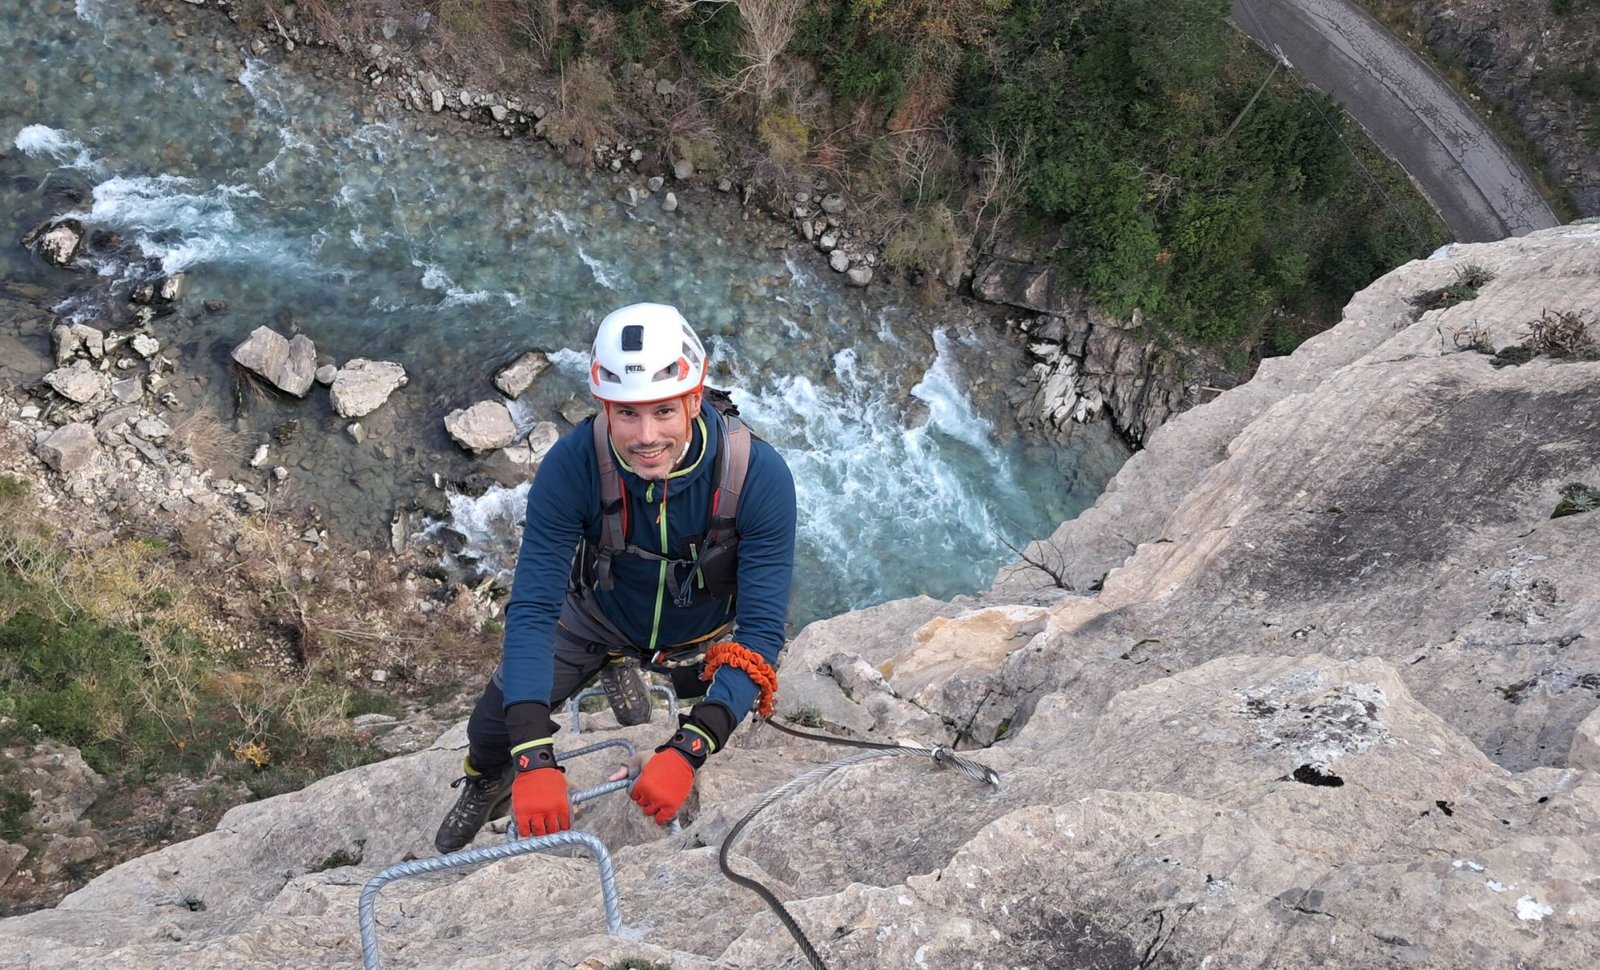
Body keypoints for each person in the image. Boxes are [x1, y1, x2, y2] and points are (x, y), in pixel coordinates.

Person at [435, 302, 797, 853]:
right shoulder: (573, 465)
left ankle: (627, 670)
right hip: (597, 614)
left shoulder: (757, 477)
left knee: (717, 703)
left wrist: (693, 746)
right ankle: (488, 781)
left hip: (699, 636)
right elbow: (534, 606)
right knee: (490, 729)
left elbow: (762, 630)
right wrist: (531, 756)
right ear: (603, 407)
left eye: (663, 412)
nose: (645, 436)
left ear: (694, 401)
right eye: (626, 414)